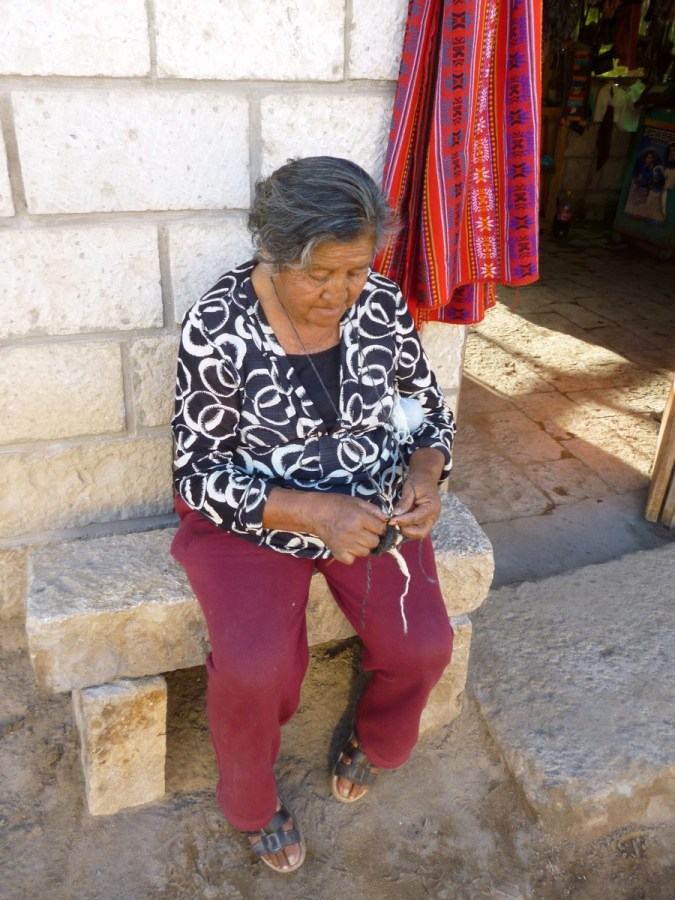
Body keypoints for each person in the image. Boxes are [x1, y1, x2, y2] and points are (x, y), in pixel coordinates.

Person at [170, 156, 456, 873]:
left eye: (355, 270)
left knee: (423, 646)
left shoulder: (380, 303)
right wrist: (310, 511)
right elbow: (199, 473)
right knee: (255, 669)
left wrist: (424, 475)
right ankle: (250, 799)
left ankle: (376, 738)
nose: (339, 293)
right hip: (255, 515)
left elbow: (422, 409)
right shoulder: (218, 325)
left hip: (369, 500)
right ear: (271, 252)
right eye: (317, 273)